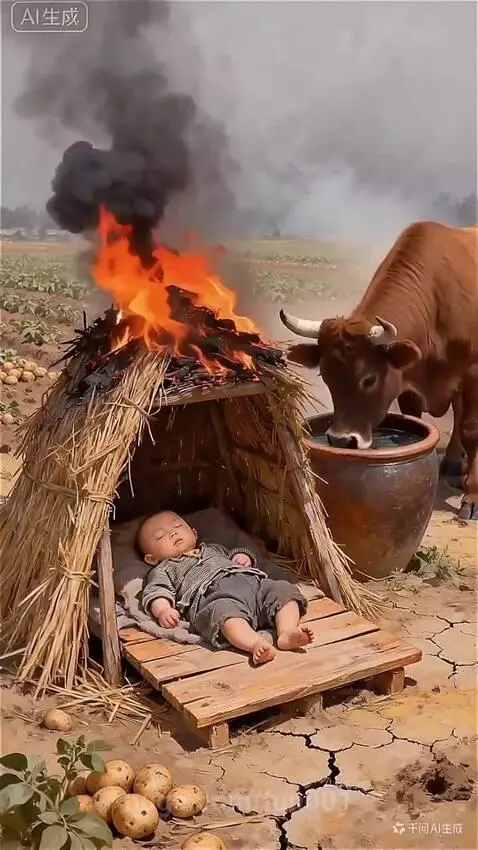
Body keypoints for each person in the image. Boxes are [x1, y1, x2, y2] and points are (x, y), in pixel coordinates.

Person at [138, 511, 314, 665]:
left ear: (194, 533)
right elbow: (156, 591)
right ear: (151, 558)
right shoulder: (164, 568)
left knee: (284, 589)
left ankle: (286, 631)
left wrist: (243, 558)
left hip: (253, 585)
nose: (172, 533)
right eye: (160, 536)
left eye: (177, 526)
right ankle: (254, 644)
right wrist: (163, 611)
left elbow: (236, 555)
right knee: (224, 616)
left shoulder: (213, 548)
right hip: (215, 597)